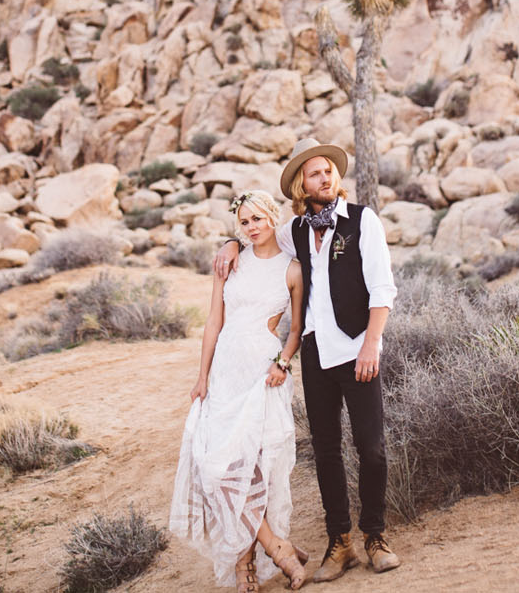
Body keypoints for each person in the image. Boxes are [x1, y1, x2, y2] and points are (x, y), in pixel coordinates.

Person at [214, 138, 401, 582]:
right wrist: (229, 242)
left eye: (330, 171)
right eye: (316, 173)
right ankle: (340, 544)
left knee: (371, 448)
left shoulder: (361, 220)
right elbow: (253, 231)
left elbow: (382, 286)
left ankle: (375, 536)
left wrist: (372, 342)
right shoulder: (295, 230)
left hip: (358, 349)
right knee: (325, 450)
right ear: (302, 183)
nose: (326, 177)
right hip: (316, 354)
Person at [170, 189, 310, 592]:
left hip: (262, 372)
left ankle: (245, 565)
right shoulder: (229, 263)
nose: (251, 228)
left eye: (258, 219)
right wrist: (202, 376)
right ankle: (278, 549)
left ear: (272, 218)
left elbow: (296, 329)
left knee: (255, 467)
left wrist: (283, 363)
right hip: (225, 373)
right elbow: (214, 321)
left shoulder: (293, 269)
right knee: (217, 468)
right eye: (244, 222)